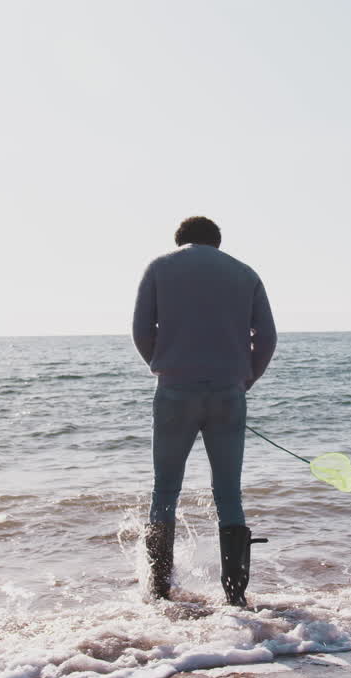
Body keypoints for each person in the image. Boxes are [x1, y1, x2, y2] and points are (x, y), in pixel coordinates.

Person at [132, 216, 277, 606]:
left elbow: (142, 330)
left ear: (180, 241)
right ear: (217, 242)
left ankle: (160, 591)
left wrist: (162, 364)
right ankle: (235, 596)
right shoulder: (244, 273)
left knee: (165, 489)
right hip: (229, 392)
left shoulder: (160, 267)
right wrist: (245, 378)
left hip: (174, 389)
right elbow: (267, 337)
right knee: (228, 491)